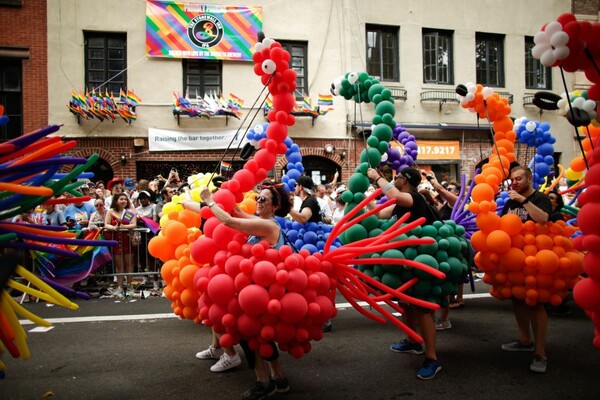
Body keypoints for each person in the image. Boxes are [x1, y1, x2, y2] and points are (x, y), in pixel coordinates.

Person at [198, 182, 291, 399]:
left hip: (261, 291)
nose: (258, 201)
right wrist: (224, 194)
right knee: (261, 336)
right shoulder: (264, 222)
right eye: (258, 198)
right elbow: (236, 212)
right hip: (257, 287)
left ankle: (263, 381)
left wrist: (209, 202)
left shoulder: (269, 226)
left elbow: (229, 221)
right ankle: (279, 378)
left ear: (275, 206)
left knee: (249, 335)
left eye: (263, 199)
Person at [367, 166, 441, 380]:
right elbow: (379, 213)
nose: (395, 178)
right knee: (406, 303)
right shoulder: (400, 203)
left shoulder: (413, 198)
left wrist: (378, 178)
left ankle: (432, 358)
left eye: (398, 176)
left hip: (420, 262)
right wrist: (365, 195)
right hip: (404, 263)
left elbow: (395, 196)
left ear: (405, 180)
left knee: (423, 308)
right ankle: (413, 341)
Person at [500, 166, 552, 373]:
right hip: (514, 259)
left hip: (536, 259)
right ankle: (524, 340)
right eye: (512, 180)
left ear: (530, 178)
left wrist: (523, 201)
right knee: (518, 299)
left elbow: (543, 219)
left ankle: (540, 353)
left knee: (536, 304)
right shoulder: (510, 201)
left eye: (519, 179)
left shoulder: (540, 198)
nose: (514, 183)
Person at [104, 193, 137, 298]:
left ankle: (130, 285)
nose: (124, 201)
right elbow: (106, 224)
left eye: (125, 199)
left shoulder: (129, 212)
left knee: (129, 264)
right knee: (119, 265)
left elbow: (134, 224)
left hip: (127, 239)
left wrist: (124, 226)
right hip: (116, 241)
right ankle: (119, 286)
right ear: (116, 201)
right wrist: (114, 228)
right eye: (121, 199)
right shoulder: (110, 211)